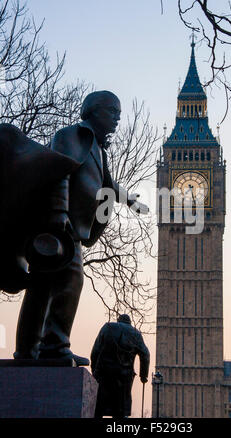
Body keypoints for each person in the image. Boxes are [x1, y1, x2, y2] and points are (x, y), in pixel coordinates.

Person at [13, 91, 148, 366]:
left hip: (71, 225)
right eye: (112, 113)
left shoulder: (98, 149)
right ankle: (54, 345)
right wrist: (59, 213)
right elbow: (58, 169)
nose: (116, 120)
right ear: (93, 110)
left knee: (42, 286)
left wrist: (129, 199)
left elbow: (108, 184)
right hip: (60, 223)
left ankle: (29, 349)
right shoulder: (73, 136)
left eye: (119, 115)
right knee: (69, 279)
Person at [91, 314, 150, 418]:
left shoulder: (107, 327)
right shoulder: (136, 334)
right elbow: (145, 354)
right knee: (121, 410)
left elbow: (95, 351)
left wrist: (94, 370)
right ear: (130, 323)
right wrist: (143, 375)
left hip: (104, 374)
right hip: (124, 378)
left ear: (118, 321)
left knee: (98, 407)